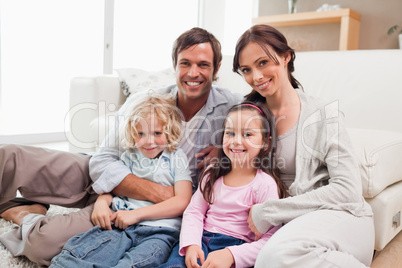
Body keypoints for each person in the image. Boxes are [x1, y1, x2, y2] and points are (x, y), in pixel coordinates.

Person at [0, 27, 242, 266]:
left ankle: (22, 213)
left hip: (138, 208)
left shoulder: (232, 107)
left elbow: (255, 143)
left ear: (217, 68)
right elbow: (104, 159)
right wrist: (139, 193)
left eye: (203, 65)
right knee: (9, 155)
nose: (193, 72)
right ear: (175, 65)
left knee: (43, 244)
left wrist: (224, 152)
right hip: (110, 175)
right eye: (185, 63)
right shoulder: (145, 101)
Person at [232, 24, 374, 267]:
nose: (256, 77)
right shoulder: (247, 116)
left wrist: (268, 212)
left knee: (274, 257)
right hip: (288, 226)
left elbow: (348, 190)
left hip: (338, 217)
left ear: (286, 57)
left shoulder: (323, 114)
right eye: (247, 69)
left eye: (263, 62)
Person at [50, 93, 193, 267]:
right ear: (133, 133)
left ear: (169, 132)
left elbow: (183, 201)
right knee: (74, 255)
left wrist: (135, 215)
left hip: (160, 231)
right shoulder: (129, 156)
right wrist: (101, 203)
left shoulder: (176, 158)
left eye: (157, 133)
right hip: (121, 226)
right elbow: (112, 189)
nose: (149, 142)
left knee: (132, 264)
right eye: (141, 134)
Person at [159, 102, 287, 268]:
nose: (236, 141)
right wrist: (191, 244)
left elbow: (270, 238)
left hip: (235, 250)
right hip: (200, 240)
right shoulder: (212, 173)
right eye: (230, 133)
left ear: (265, 143)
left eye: (247, 134)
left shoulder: (265, 185)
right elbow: (195, 211)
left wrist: (232, 255)